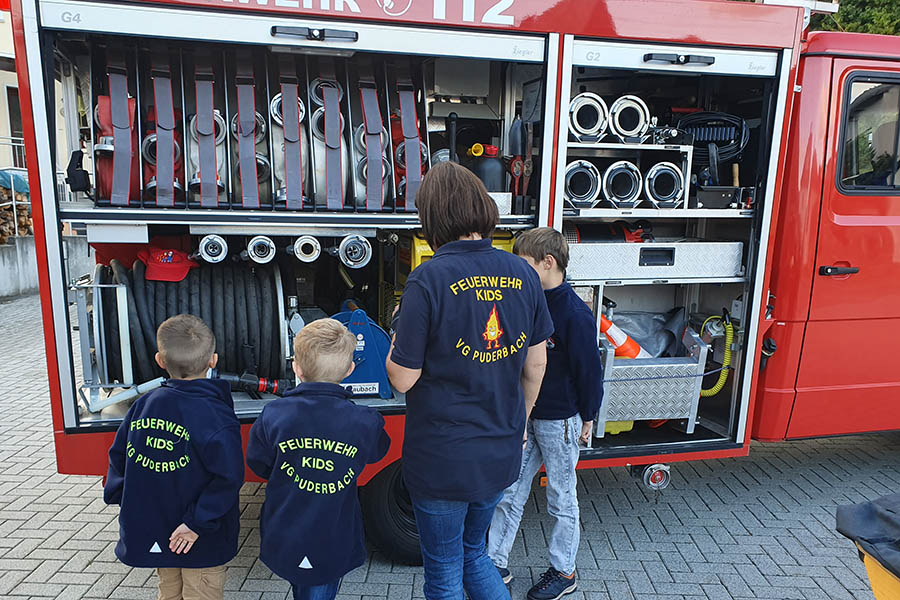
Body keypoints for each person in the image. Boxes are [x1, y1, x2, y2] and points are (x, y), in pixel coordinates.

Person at [386, 162, 553, 600]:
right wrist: (519, 425)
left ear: (432, 218)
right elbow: (535, 367)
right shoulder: (523, 274)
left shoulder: (428, 279)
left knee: (443, 571)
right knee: (475, 554)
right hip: (499, 450)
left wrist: (393, 339)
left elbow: (403, 379)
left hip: (442, 455)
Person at [488, 227, 604, 600]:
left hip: (560, 422)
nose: (517, 273)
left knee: (561, 498)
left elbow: (589, 370)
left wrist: (589, 415)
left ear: (548, 263)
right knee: (508, 491)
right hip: (526, 417)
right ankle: (494, 564)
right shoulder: (525, 300)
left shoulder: (574, 314)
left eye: (524, 264)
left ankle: (564, 571)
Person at [246, 318, 391, 600]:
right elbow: (377, 453)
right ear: (350, 370)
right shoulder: (364, 420)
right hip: (334, 534)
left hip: (284, 529)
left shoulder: (274, 415)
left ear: (296, 367)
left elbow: (259, 464)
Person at [104, 314, 244, 600]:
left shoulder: (144, 405)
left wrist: (125, 499)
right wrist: (196, 524)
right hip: (201, 539)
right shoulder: (217, 416)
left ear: (159, 360)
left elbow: (119, 456)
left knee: (168, 592)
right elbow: (228, 478)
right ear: (213, 360)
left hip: (159, 529)